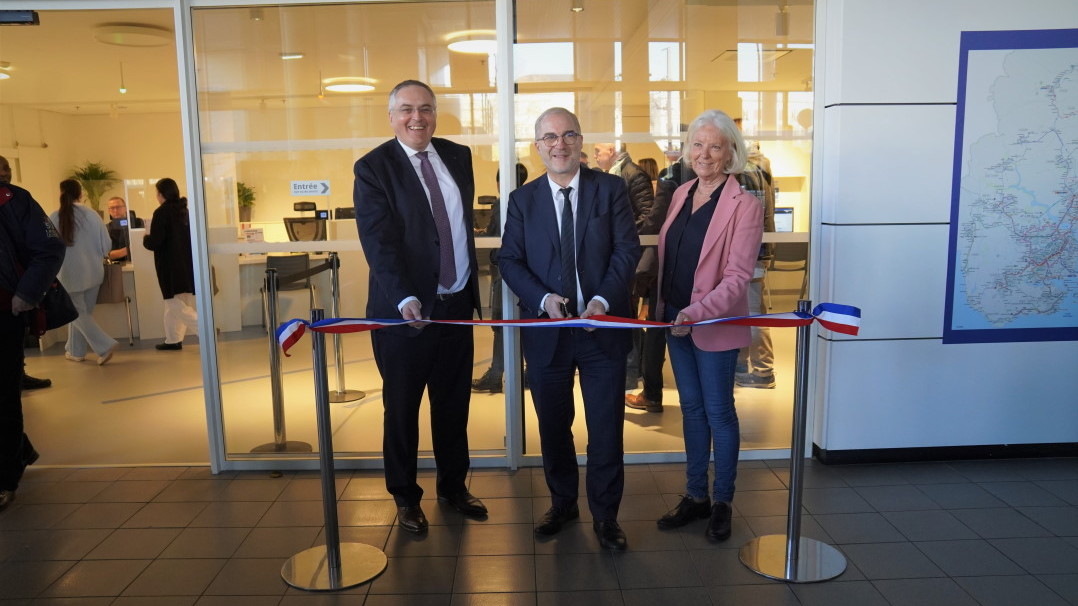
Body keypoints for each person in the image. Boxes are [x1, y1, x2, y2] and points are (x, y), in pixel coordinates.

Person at [499, 107, 640, 551]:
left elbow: (626, 250)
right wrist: (543, 299)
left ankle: (605, 516)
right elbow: (509, 260)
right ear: (538, 146)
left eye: (568, 135)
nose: (559, 144)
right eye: (549, 137)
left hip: (600, 330)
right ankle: (563, 504)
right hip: (547, 334)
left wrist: (601, 300)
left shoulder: (611, 189)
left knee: (605, 427)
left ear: (580, 141)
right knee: (553, 427)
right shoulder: (523, 200)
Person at [353, 80, 487, 534]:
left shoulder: (457, 155)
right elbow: (379, 243)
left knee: (453, 405)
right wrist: (405, 297)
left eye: (426, 109)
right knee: (403, 409)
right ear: (391, 117)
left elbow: (457, 227)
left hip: (455, 306)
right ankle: (406, 497)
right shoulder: (373, 168)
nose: (417, 118)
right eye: (407, 109)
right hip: (404, 314)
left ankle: (453, 486)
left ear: (435, 114)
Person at [653, 109, 763, 541]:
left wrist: (693, 312)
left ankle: (722, 501)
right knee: (692, 411)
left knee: (719, 413)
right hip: (674, 322)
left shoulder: (745, 205)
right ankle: (695, 495)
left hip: (711, 324)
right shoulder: (681, 193)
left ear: (731, 152)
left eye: (715, 146)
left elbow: (737, 278)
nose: (704, 154)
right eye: (698, 145)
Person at [0, 175, 66, 511]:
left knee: (4, 397)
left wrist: (25, 294)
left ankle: (5, 477)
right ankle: (19, 451)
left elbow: (49, 248)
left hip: (4, 312)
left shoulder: (14, 200)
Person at [594, 143, 655, 392]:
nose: (596, 155)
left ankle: (632, 373)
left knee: (628, 315)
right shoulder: (610, 176)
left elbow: (647, 214)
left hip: (628, 257)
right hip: (613, 256)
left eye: (599, 150)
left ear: (614, 150)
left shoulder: (633, 174)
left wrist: (620, 235)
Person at [472, 163, 528, 394]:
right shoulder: (527, 198)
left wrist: (480, 235)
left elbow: (496, 235)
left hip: (503, 270)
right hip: (523, 271)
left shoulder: (502, 201)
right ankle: (524, 372)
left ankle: (496, 374)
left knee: (500, 323)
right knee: (519, 322)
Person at [49, 180, 118, 365]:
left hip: (68, 275)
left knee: (78, 315)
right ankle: (75, 351)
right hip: (94, 273)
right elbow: (107, 246)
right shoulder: (93, 215)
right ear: (80, 194)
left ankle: (104, 345)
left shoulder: (53, 217)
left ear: (61, 193)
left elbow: (47, 247)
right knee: (82, 314)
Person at [0, 157, 53, 391]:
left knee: (9, 384)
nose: (4, 174)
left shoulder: (19, 200)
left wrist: (26, 293)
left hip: (9, 303)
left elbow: (49, 248)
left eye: (6, 169)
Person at [732, 121, 778, 389]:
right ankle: (747, 367)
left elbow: (749, 221)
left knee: (752, 315)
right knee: (748, 314)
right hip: (755, 254)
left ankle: (763, 371)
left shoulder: (747, 171)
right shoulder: (756, 166)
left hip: (751, 255)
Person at [143, 178, 197, 351]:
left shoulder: (161, 212)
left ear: (161, 194)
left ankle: (205, 328)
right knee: (177, 303)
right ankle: (173, 339)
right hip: (186, 263)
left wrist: (145, 238)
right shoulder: (184, 211)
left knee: (174, 303)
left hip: (169, 266)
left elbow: (155, 242)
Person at [105, 196, 144, 263]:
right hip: (118, 265)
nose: (115, 211)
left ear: (125, 208)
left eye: (118, 207)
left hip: (139, 262)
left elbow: (142, 245)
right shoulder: (107, 228)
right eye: (112, 208)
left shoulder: (138, 222)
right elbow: (107, 255)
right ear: (109, 211)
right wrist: (129, 249)